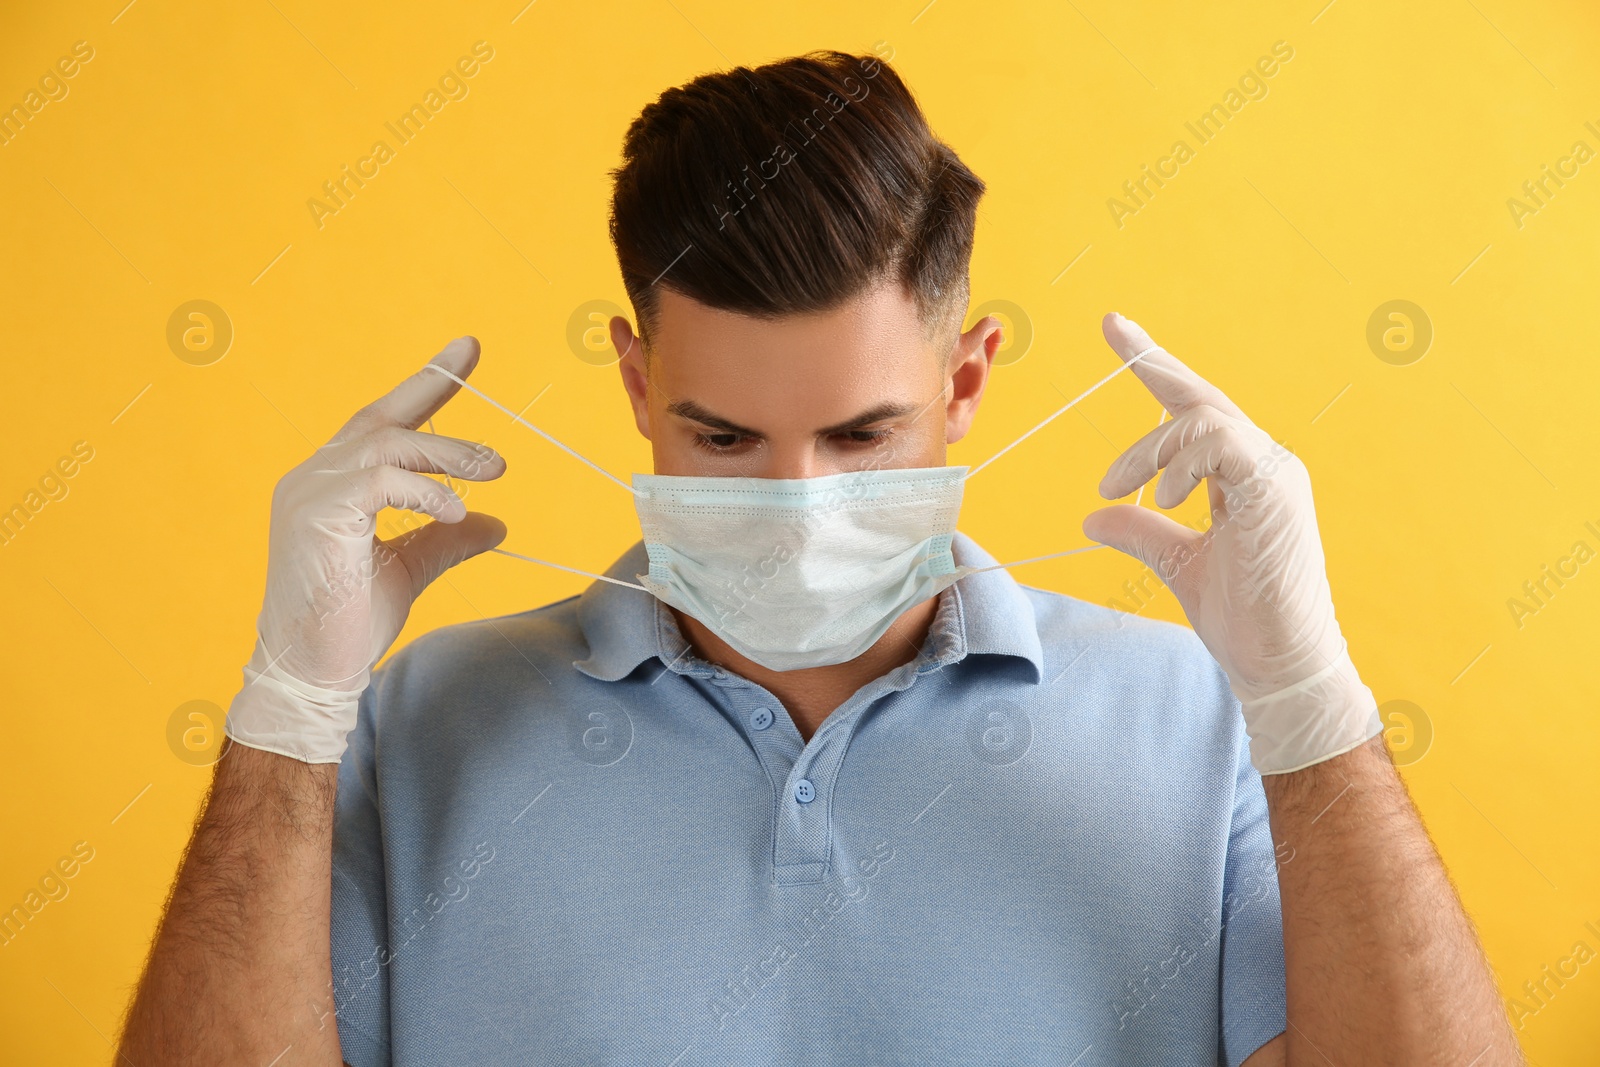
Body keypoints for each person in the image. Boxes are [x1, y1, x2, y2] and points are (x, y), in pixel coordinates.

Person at [118, 50, 1521, 1066]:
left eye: (861, 436)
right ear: (632, 379)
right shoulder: (422, 725)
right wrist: (287, 715)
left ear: (967, 382)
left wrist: (1309, 702)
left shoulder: (1203, 724)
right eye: (723, 438)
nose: (796, 500)